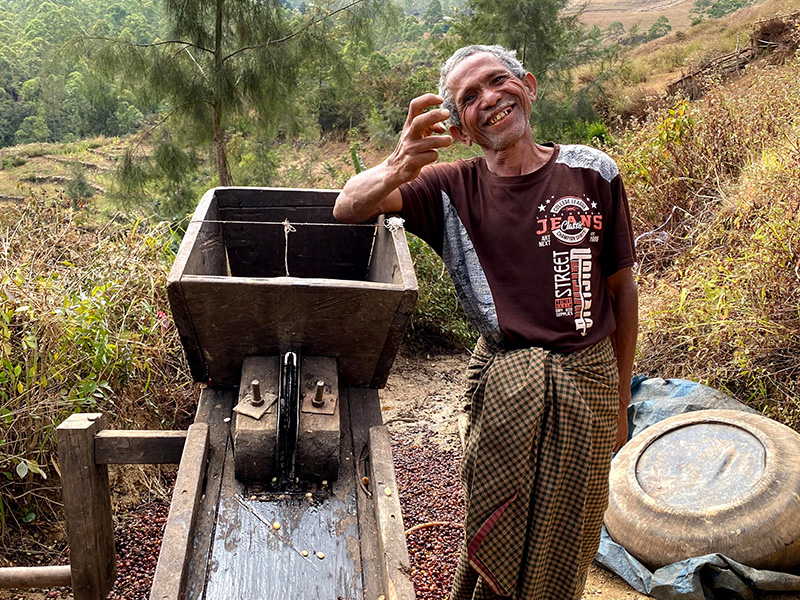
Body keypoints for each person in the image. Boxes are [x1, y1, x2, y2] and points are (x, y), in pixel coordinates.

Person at [334, 44, 638, 600]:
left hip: (589, 384)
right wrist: (402, 162)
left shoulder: (593, 172)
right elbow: (347, 206)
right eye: (469, 98)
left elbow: (622, 292)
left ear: (528, 85)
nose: (490, 100)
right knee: (495, 520)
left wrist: (619, 404)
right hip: (505, 385)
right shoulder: (452, 188)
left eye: (498, 82)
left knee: (568, 533)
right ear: (464, 127)